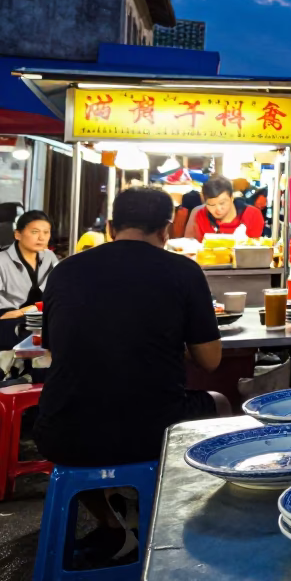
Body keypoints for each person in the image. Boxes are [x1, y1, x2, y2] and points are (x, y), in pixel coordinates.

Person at [34, 188, 228, 563]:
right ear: (167, 230)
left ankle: (115, 525)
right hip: (151, 432)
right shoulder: (183, 270)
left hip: (61, 432)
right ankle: (192, 525)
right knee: (218, 405)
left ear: (110, 227)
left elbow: (58, 350)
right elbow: (210, 360)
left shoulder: (65, 270)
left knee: (91, 425)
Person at [0, 210, 57, 355]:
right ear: (17, 234)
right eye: (35, 232)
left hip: (39, 320)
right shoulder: (2, 261)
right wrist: (23, 312)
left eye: (46, 232)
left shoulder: (49, 257)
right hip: (9, 323)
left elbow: (60, 290)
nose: (41, 237)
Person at [189, 176, 266, 241]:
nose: (218, 209)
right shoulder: (202, 215)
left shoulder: (252, 215)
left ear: (232, 197)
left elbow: (254, 251)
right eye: (211, 205)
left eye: (222, 203)